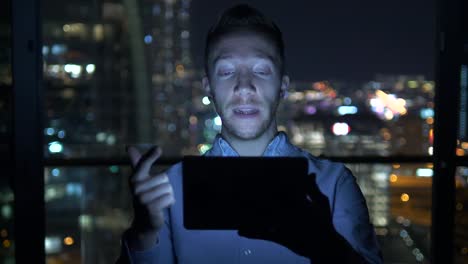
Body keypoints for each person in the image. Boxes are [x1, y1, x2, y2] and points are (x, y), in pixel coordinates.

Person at [118, 4, 383, 264]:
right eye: (227, 72)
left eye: (260, 70)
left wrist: (326, 246)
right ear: (208, 88)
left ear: (283, 86)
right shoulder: (167, 192)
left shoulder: (334, 185)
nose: (244, 86)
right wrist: (144, 233)